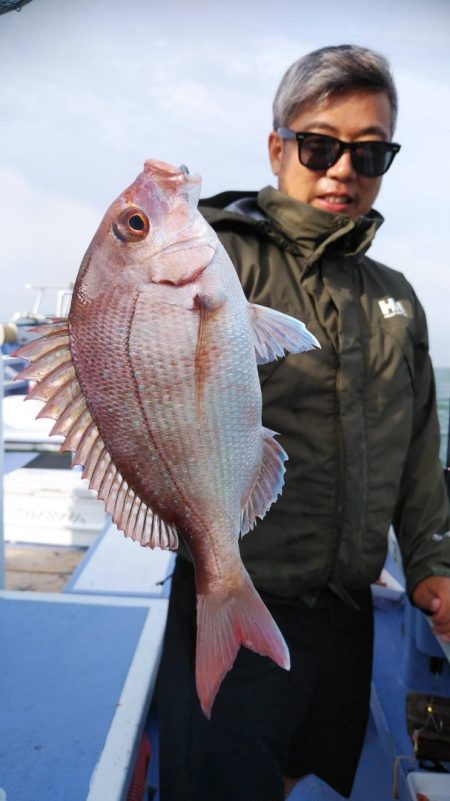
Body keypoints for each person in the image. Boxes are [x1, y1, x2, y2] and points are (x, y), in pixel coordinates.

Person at [157, 44, 450, 801]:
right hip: (232, 594)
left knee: (311, 779)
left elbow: (418, 449)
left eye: (370, 151)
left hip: (347, 616)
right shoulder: (220, 260)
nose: (343, 169)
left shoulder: (396, 296)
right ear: (277, 147)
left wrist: (430, 562)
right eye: (320, 145)